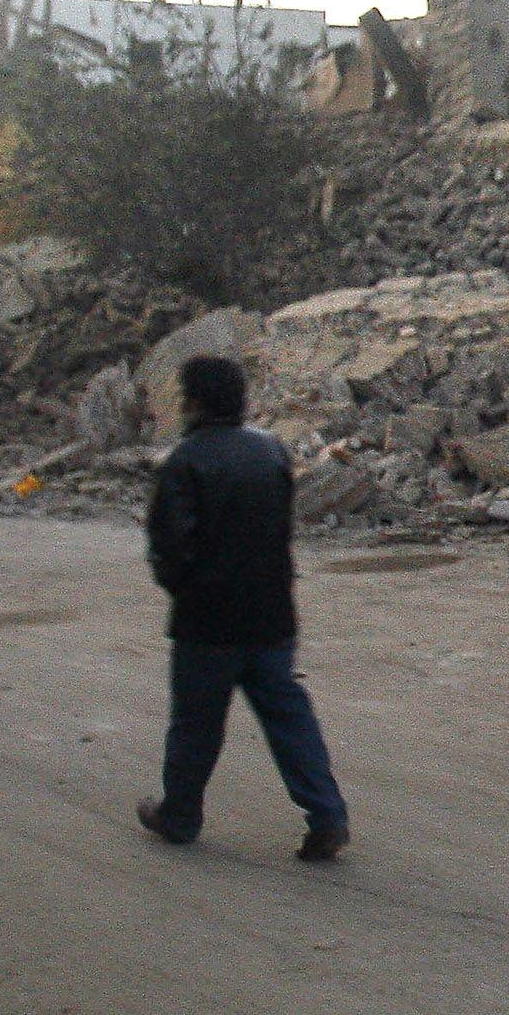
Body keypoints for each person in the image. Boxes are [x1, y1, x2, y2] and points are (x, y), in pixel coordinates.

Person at [136, 356, 351, 861]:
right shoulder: (270, 450)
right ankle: (328, 816)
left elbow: (168, 547)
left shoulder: (185, 461)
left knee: (195, 724)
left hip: (207, 623)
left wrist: (187, 590)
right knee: (290, 720)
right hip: (272, 613)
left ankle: (180, 815)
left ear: (192, 402)